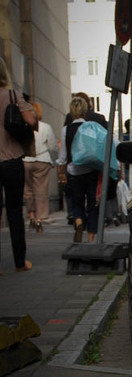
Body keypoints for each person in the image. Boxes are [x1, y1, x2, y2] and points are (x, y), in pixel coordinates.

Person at [0, 57, 36, 273]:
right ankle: (20, 263)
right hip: (12, 159)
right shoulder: (14, 96)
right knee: (14, 210)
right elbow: (31, 121)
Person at [58, 96, 99, 243]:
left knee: (77, 201)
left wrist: (61, 168)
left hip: (73, 170)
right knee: (93, 204)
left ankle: (79, 222)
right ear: (85, 110)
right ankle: (91, 237)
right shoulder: (91, 127)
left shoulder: (65, 130)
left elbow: (63, 154)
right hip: (90, 170)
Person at [23, 102, 56, 233]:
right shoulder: (46, 127)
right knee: (41, 190)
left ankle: (30, 215)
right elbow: (52, 146)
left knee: (27, 189)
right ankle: (39, 219)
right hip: (42, 160)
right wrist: (53, 160)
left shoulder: (24, 126)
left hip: (25, 160)